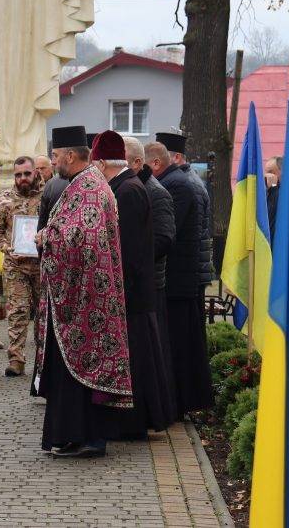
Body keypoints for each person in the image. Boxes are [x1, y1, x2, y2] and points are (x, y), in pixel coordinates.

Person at [36, 125, 132, 459]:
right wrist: (53, 231)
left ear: (71, 156)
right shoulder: (82, 184)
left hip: (85, 302)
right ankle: (75, 436)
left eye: (56, 155)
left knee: (77, 373)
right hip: (82, 297)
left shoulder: (89, 187)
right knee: (70, 374)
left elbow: (85, 239)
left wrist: (48, 238)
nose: (53, 161)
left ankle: (85, 437)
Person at [93, 132, 173, 437]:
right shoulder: (126, 187)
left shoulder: (126, 191)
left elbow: (125, 247)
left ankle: (133, 421)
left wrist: (114, 284)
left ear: (102, 163)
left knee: (137, 359)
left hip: (131, 291)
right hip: (132, 289)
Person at [147, 136, 215, 418]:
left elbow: (168, 234)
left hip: (179, 280)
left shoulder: (176, 186)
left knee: (180, 346)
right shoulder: (185, 181)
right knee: (185, 343)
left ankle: (180, 402)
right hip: (187, 277)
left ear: (161, 160)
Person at [124, 136, 177, 418]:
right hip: (140, 281)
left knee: (153, 354)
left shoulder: (155, 192)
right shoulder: (138, 187)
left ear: (137, 162)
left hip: (151, 282)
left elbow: (165, 238)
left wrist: (137, 257)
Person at [0, 156, 43, 377]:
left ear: (35, 172)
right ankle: (16, 359)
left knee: (43, 313)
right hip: (15, 266)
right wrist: (7, 248)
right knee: (18, 312)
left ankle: (43, 360)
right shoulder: (5, 199)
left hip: (42, 265)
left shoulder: (48, 195)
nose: (22, 178)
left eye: (26, 173)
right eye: (18, 175)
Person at [37, 148, 70, 231]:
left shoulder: (57, 184)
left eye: (42, 168)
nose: (39, 172)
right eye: (37, 169)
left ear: (51, 168)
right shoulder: (30, 189)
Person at [264, 156, 282, 242]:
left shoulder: (286, 193)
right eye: (266, 172)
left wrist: (274, 188)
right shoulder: (267, 192)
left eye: (271, 172)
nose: (267, 176)